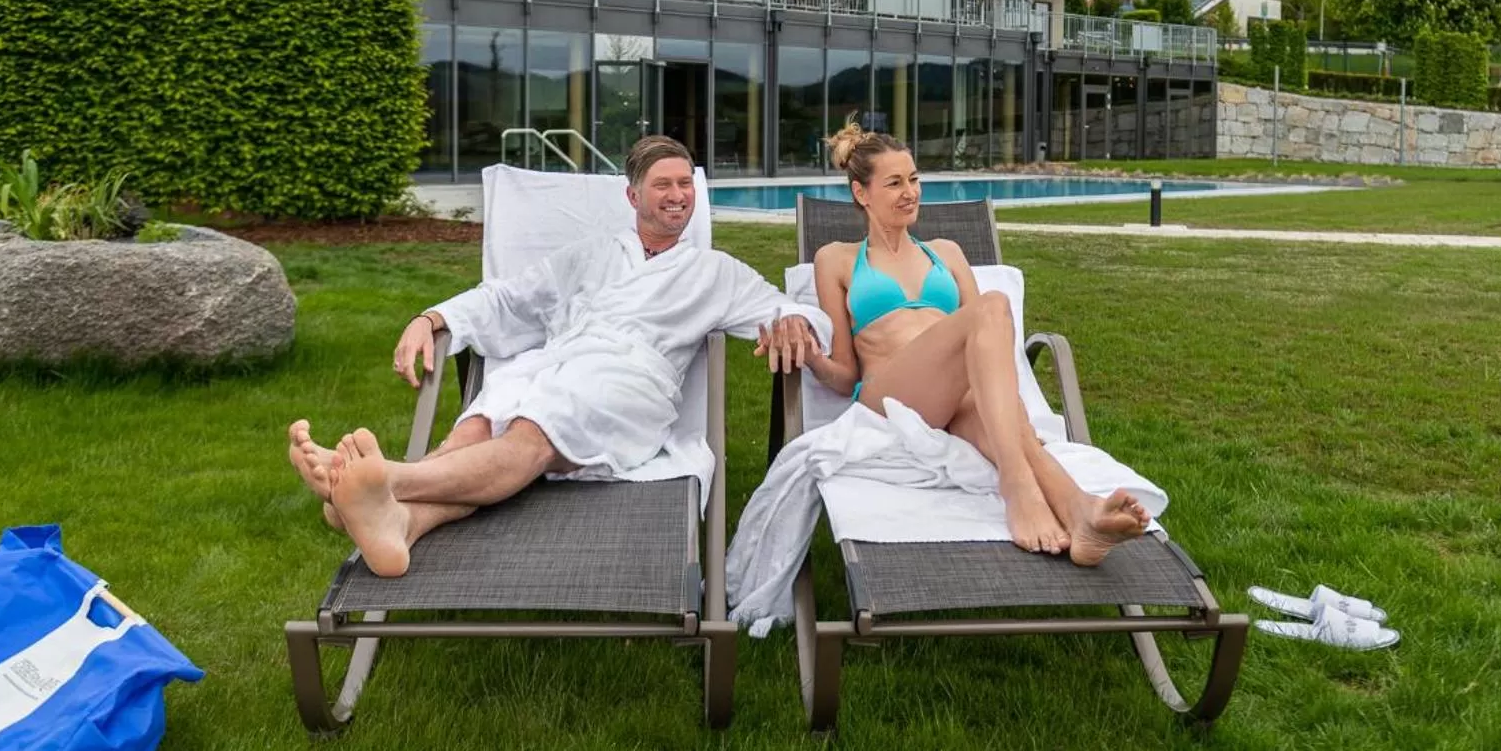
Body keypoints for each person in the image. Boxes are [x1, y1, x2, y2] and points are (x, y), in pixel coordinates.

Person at [287, 135, 829, 577]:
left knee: (531, 436)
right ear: (633, 196)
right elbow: (510, 296)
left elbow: (787, 310)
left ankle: (381, 483)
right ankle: (398, 523)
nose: (677, 194)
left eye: (686, 183)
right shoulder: (592, 254)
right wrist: (431, 318)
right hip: (553, 365)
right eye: (662, 183)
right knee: (474, 430)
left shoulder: (716, 272)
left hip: (628, 382)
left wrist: (796, 324)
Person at [799, 122, 1149, 565]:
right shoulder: (836, 259)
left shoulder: (947, 252)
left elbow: (993, 344)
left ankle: (1084, 515)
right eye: (894, 183)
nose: (910, 192)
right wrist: (813, 358)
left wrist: (1014, 410)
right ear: (861, 193)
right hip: (890, 394)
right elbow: (845, 372)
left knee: (1009, 424)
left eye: (914, 179)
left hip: (955, 395)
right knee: (992, 305)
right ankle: (1017, 489)